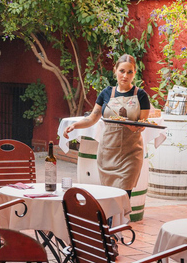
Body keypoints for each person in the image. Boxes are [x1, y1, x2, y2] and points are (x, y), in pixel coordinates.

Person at [63, 54, 150, 197]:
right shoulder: (106, 93)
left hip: (131, 153)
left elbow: (142, 123)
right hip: (108, 152)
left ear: (134, 73)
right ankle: (109, 220)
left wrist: (134, 127)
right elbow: (92, 118)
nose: (125, 75)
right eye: (122, 71)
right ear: (115, 70)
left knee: (123, 194)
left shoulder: (141, 95)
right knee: (108, 195)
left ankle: (121, 219)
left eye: (129, 72)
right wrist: (75, 126)